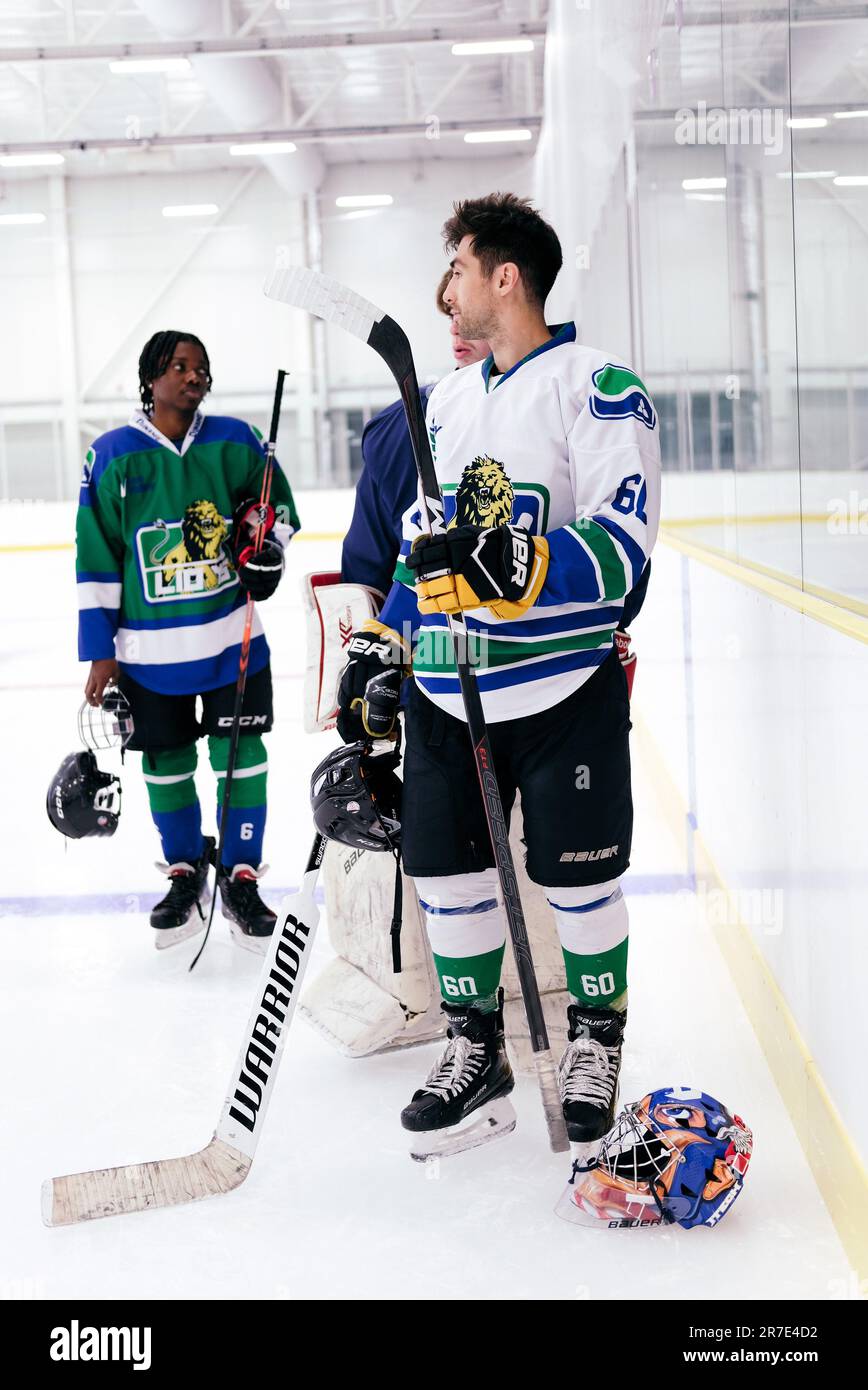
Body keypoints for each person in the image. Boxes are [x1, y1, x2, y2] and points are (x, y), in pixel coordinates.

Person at [335, 193, 660, 1152]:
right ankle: (476, 1052)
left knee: (580, 885)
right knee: (449, 881)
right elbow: (419, 549)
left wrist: (527, 565)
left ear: (504, 277)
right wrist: (386, 642)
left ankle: (596, 1041)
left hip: (562, 693)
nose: (449, 291)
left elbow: (625, 544)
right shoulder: (441, 402)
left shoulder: (596, 385)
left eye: (460, 270)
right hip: (447, 692)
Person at [76, 330, 300, 951]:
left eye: (201, 367)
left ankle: (241, 873)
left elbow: (274, 508)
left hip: (234, 642)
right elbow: (96, 556)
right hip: (149, 658)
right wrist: (101, 651)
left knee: (242, 756)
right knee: (166, 763)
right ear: (150, 377)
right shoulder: (113, 454)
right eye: (178, 366)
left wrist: (266, 544)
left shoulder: (235, 440)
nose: (192, 376)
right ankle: (183, 869)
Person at [341, 270, 490, 594]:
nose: (455, 328)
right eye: (452, 314)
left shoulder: (565, 400)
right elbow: (366, 571)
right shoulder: (395, 429)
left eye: (470, 312)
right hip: (424, 638)